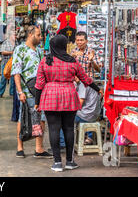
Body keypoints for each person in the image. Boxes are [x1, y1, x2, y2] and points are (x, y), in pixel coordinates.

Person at [34, 34, 101, 172]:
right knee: (69, 129)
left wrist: (37, 102)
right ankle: (70, 161)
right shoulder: (72, 61)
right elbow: (85, 78)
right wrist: (98, 89)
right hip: (69, 95)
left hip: (50, 96)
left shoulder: (45, 61)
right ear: (65, 46)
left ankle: (57, 162)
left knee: (53, 129)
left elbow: (39, 84)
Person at [11, 25, 51, 159]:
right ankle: (20, 147)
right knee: (23, 118)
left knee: (41, 119)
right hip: (26, 91)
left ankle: (39, 148)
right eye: (38, 35)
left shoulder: (39, 51)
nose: (41, 38)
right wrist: (20, 91)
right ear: (30, 34)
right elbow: (16, 72)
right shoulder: (20, 49)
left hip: (40, 91)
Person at [59, 31, 102, 147]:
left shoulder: (92, 52)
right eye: (77, 40)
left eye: (81, 40)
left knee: (83, 107)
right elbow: (68, 69)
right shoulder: (73, 52)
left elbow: (99, 70)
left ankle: (87, 136)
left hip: (88, 85)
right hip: (77, 85)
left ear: (86, 41)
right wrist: (70, 59)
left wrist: (91, 60)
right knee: (83, 107)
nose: (79, 42)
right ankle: (84, 135)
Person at [0, 31, 16, 98]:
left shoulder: (16, 43)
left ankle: (11, 93)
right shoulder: (5, 42)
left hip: (13, 63)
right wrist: (12, 52)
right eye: (14, 35)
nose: (15, 36)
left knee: (12, 79)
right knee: (4, 78)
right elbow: (2, 52)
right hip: (5, 63)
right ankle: (0, 93)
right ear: (10, 36)